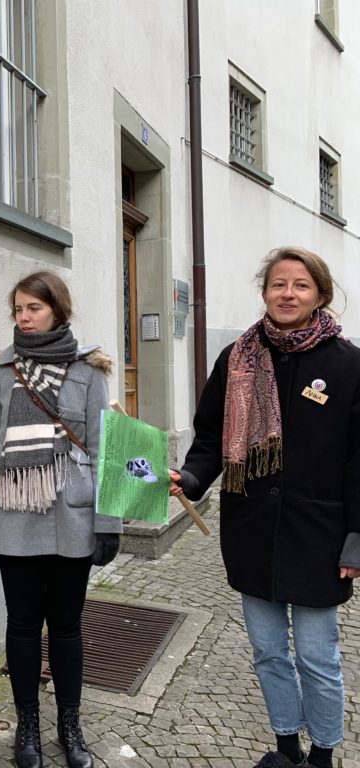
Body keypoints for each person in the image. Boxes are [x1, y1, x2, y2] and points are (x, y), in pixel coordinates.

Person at [169, 247, 360, 768]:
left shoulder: (348, 364)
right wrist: (189, 477)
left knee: (318, 658)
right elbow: (210, 436)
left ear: (320, 295)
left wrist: (356, 538)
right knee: (269, 651)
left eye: (300, 285)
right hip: (252, 530)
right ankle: (285, 748)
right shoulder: (236, 359)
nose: (288, 294)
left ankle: (322, 754)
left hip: (320, 534)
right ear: (264, 292)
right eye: (279, 284)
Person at [0, 271, 121, 768]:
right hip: (14, 516)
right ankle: (28, 724)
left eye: (33, 308)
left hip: (72, 519)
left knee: (68, 628)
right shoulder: (1, 374)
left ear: (57, 309)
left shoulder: (89, 372)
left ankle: (70, 726)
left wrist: (109, 522)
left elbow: (105, 450)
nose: (24, 317)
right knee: (22, 625)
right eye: (18, 309)